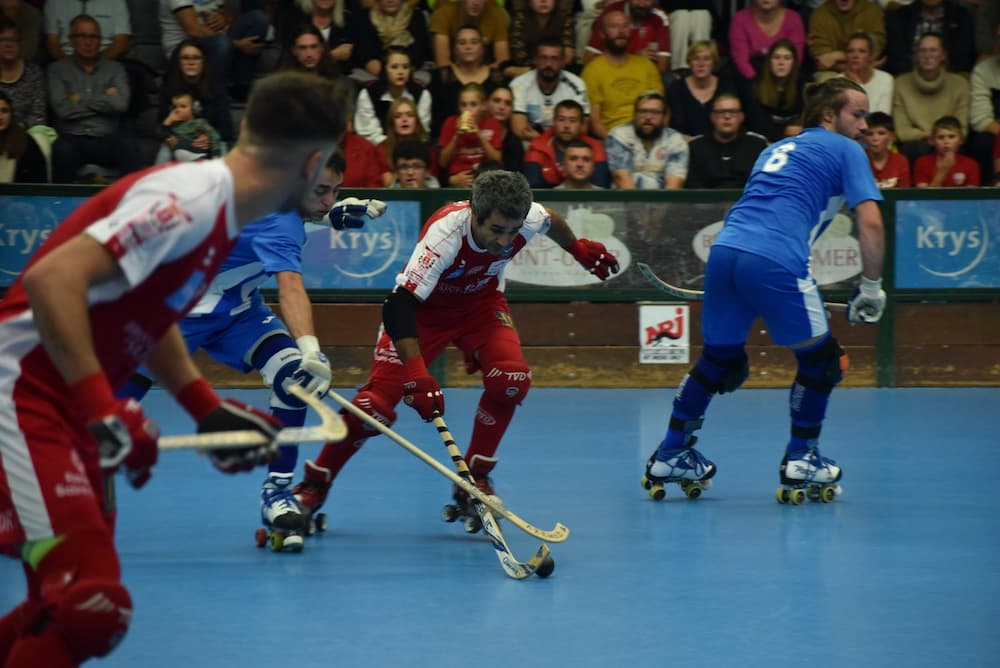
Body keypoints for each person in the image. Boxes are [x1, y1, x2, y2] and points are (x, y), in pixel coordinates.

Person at [0, 70, 346, 668]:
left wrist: (204, 409)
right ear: (314, 164)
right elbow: (50, 279)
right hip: (24, 396)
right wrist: (102, 406)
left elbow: (149, 314)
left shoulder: (223, 216)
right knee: (91, 601)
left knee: (60, 603)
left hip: (66, 404)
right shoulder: (189, 202)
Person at [289, 170, 620, 531]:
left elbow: (549, 221)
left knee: (511, 379)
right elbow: (399, 306)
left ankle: (474, 481)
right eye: (496, 231)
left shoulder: (524, 218)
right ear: (475, 215)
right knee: (376, 409)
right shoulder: (447, 233)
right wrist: (417, 373)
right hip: (424, 313)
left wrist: (577, 248)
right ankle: (314, 484)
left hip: (481, 307)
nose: (504, 241)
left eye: (512, 231)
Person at [118, 150, 386, 552]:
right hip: (175, 315)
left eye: (335, 191)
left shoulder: (272, 195)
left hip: (238, 312)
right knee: (107, 409)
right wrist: (311, 347)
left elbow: (252, 236)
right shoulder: (281, 224)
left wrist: (323, 217)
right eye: (320, 191)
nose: (330, 200)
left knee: (292, 376)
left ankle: (277, 493)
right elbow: (290, 284)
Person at [642, 77, 886, 504]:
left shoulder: (773, 149)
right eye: (858, 115)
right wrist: (871, 288)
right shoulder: (848, 149)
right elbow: (870, 222)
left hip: (725, 251)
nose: (865, 126)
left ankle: (671, 452)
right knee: (823, 362)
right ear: (829, 115)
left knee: (719, 360)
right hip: (774, 258)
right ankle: (802, 458)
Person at [47, 14, 139, 183]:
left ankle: (130, 204)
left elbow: (120, 104)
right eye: (82, 36)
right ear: (71, 40)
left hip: (106, 138)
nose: (88, 42)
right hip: (72, 138)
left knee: (129, 146)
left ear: (100, 40)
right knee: (61, 149)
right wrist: (104, 98)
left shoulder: (115, 69)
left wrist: (79, 98)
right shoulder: (57, 70)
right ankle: (61, 206)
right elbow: (62, 109)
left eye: (94, 36)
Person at [580, 10, 664, 139]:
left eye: (625, 26)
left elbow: (663, 110)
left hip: (650, 133)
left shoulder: (646, 65)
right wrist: (618, 143)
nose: (621, 31)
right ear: (602, 34)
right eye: (614, 26)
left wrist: (655, 137)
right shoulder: (592, 71)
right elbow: (594, 122)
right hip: (614, 136)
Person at [891, 32, 969, 164]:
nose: (927, 56)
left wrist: (942, 138)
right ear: (916, 56)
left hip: (950, 141)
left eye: (933, 50)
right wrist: (931, 136)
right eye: (922, 51)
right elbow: (902, 131)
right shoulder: (901, 83)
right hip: (917, 144)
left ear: (943, 55)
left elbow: (962, 129)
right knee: (916, 148)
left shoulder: (959, 84)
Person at [509, 38, 590, 142]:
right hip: (530, 144)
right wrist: (543, 142)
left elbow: (582, 129)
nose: (548, 64)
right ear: (535, 60)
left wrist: (544, 140)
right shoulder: (519, 84)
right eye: (543, 58)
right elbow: (519, 130)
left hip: (566, 144)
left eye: (554, 59)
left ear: (563, 62)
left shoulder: (577, 85)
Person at [606, 90, 689, 189]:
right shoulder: (619, 135)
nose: (648, 117)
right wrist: (638, 205)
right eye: (643, 111)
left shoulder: (675, 140)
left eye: (655, 112)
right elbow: (621, 178)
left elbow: (674, 184)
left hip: (664, 203)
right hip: (624, 202)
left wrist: (663, 205)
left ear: (665, 117)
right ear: (634, 115)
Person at [159, 39, 235, 145]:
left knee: (221, 146)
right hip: (179, 143)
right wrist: (169, 137)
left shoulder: (216, 88)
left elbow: (227, 131)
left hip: (209, 143)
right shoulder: (169, 87)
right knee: (164, 151)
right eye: (185, 58)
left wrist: (209, 138)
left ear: (204, 61)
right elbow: (160, 127)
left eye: (196, 58)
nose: (191, 62)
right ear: (178, 62)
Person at [685, 94, 768, 189]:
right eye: (721, 112)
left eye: (733, 112)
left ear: (741, 117)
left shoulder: (757, 145)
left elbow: (762, 183)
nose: (727, 116)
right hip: (705, 202)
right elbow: (693, 186)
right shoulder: (696, 147)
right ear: (712, 117)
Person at [354, 46, 432, 148]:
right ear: (384, 69)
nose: (400, 72)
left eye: (405, 67)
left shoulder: (422, 94)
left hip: (413, 148)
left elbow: (422, 131)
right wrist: (391, 147)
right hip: (378, 149)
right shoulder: (368, 94)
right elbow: (368, 134)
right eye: (394, 67)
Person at [524, 98, 610, 187]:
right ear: (553, 122)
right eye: (561, 120)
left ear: (581, 125)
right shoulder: (537, 147)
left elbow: (601, 186)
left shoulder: (594, 147)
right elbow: (533, 190)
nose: (566, 126)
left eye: (572, 121)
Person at [666, 40, 739, 140]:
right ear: (689, 62)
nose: (701, 64)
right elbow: (671, 127)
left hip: (719, 144)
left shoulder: (726, 87)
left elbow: (733, 122)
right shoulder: (676, 88)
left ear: (714, 63)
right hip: (684, 144)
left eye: (706, 59)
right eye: (696, 59)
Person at [884, 0, 975, 75]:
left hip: (949, 80)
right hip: (909, 79)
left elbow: (964, 59)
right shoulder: (900, 16)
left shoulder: (961, 17)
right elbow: (895, 60)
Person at [438, 82, 504, 185]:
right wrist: (457, 135)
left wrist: (478, 134)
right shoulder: (450, 122)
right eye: (463, 105)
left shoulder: (492, 124)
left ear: (483, 106)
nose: (467, 109)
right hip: (458, 178)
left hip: (486, 179)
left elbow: (497, 160)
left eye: (473, 104)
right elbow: (442, 162)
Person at [583, 0, 672, 75]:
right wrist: (635, 59)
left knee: (668, 80)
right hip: (610, 74)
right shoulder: (611, 12)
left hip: (643, 76)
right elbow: (589, 59)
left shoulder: (659, 17)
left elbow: (662, 67)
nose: (642, 4)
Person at [742, 38, 805, 142]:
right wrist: (785, 130)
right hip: (764, 141)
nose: (781, 63)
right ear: (769, 61)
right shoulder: (754, 87)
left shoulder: (802, 87)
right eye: (776, 57)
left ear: (794, 63)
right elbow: (757, 124)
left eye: (787, 58)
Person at [348, 0, 430, 79]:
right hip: (373, 72)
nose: (390, 0)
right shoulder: (363, 17)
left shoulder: (416, 17)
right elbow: (366, 55)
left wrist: (399, 70)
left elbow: (418, 54)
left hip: (408, 70)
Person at [728, 0, 806, 81]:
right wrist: (757, 84)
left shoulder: (794, 19)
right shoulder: (740, 19)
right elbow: (741, 61)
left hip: (786, 78)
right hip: (749, 79)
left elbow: (796, 59)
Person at [807, 0, 885, 79]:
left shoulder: (872, 11)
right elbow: (823, 60)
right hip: (832, 72)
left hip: (867, 71)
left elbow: (876, 48)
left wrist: (835, 56)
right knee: (827, 80)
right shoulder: (819, 15)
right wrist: (862, 60)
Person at [429, 0, 510, 70]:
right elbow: (443, 63)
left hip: (485, 71)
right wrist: (465, 75)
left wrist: (480, 75)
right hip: (452, 73)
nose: (476, 3)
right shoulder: (443, 13)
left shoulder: (498, 14)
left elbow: (502, 61)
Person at [505, 0, 576, 79]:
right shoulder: (519, 18)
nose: (543, 1)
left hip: (557, 73)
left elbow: (568, 58)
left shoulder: (564, 18)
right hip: (524, 73)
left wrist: (529, 69)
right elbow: (517, 55)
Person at [45, 0, 132, 62]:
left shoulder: (117, 2)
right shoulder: (54, 2)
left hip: (105, 61)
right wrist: (69, 66)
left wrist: (96, 64)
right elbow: (52, 44)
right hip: (64, 62)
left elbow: (121, 42)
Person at [0, 16, 44, 129]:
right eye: (3, 40)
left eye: (14, 40)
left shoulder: (33, 72)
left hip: (25, 132)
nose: (9, 45)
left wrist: (18, 128)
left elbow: (38, 114)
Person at [912, 115, 980, 186]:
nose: (946, 141)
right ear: (932, 141)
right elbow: (924, 196)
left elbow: (969, 196)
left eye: (951, 137)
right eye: (940, 137)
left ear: (961, 140)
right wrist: (943, 171)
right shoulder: (922, 163)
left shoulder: (971, 165)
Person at [155, 91, 222, 163]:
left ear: (193, 109)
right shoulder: (173, 125)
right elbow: (161, 133)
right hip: (180, 163)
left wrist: (216, 155)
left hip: (199, 159)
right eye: (175, 107)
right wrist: (168, 120)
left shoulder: (199, 122)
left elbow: (214, 136)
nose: (178, 109)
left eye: (183, 106)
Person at [840, 30, 891, 114]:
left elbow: (881, 117)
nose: (855, 56)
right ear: (846, 55)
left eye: (862, 51)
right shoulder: (836, 82)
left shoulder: (885, 79)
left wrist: (859, 85)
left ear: (871, 56)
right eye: (851, 51)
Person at [0, 89, 46, 182]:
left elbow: (38, 182)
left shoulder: (26, 142)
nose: (0, 117)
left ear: (11, 114)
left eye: (4, 111)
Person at [863, 111, 911, 187]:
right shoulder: (857, 160)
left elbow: (904, 195)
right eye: (869, 134)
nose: (875, 138)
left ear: (892, 136)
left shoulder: (900, 161)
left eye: (881, 133)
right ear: (864, 137)